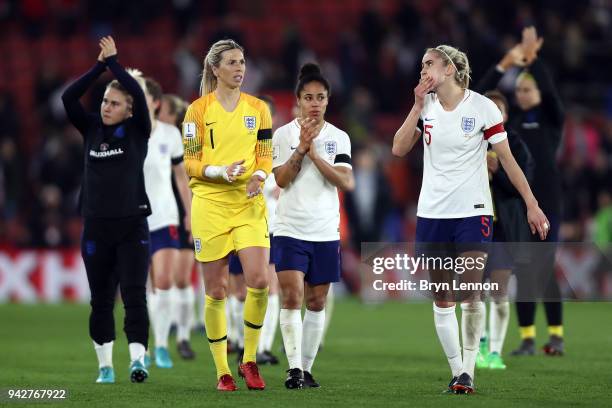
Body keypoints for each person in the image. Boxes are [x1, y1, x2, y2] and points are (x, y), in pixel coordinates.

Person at [391, 44, 548, 394]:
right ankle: (458, 371)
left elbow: (507, 159)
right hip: (432, 212)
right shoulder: (425, 106)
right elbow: (399, 149)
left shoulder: (482, 107)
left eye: (428, 63)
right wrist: (416, 105)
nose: (422, 70)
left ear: (449, 69)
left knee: (470, 290)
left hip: (473, 210)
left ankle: (468, 374)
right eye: (421, 64)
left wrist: (531, 203)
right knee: (443, 297)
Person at [182, 39, 272, 391]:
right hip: (210, 206)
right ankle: (223, 370)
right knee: (216, 290)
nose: (240, 68)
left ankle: (249, 359)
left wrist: (260, 176)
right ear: (215, 69)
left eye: (242, 62)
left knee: (259, 280)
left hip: (248, 204)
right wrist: (221, 172)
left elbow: (265, 154)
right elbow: (191, 162)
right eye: (232, 62)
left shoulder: (259, 108)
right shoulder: (197, 111)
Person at [61, 36, 151, 384]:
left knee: (133, 295)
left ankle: (137, 361)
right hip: (96, 227)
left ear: (129, 110)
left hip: (132, 227)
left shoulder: (138, 131)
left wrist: (114, 63)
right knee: (100, 300)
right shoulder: (91, 129)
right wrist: (98, 67)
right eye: (103, 101)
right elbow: (68, 98)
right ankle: (105, 366)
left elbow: (138, 95)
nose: (105, 107)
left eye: (114, 103)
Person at [477, 27, 566, 356]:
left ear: (540, 91)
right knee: (526, 269)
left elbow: (553, 97)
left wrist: (532, 60)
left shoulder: (551, 121)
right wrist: (505, 65)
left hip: (546, 201)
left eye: (529, 89)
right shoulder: (505, 132)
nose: (524, 93)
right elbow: (481, 96)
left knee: (544, 266)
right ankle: (527, 337)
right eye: (521, 89)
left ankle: (555, 334)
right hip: (515, 205)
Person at [273, 63, 355, 389]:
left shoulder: (339, 137)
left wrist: (316, 155)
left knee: (317, 302)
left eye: (320, 97)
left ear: (327, 100)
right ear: (298, 100)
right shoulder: (283, 134)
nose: (315, 103)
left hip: (324, 230)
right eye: (308, 97)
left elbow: (346, 180)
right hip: (290, 227)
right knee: (292, 297)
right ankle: (293, 369)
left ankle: (306, 369)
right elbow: (280, 179)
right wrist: (300, 151)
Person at [474, 90, 535, 370]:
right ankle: (480, 343)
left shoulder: (517, 147)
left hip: (503, 230)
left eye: (498, 111)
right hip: (473, 227)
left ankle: (495, 351)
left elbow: (520, 189)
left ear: (505, 116)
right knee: (475, 293)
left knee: (498, 292)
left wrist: (497, 170)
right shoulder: (469, 144)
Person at [142, 78, 192, 369]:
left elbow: (181, 178)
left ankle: (163, 344)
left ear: (156, 102)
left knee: (165, 280)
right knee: (144, 286)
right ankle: (146, 344)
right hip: (136, 217)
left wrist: (189, 213)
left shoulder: (171, 135)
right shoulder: (127, 133)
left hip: (166, 215)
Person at [158, 94, 198, 360]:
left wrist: (192, 214)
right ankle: (161, 336)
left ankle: (183, 336)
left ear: (174, 117)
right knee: (162, 280)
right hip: (160, 216)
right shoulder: (151, 140)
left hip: (185, 214)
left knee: (182, 278)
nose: (159, 114)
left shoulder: (187, 147)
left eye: (163, 111)